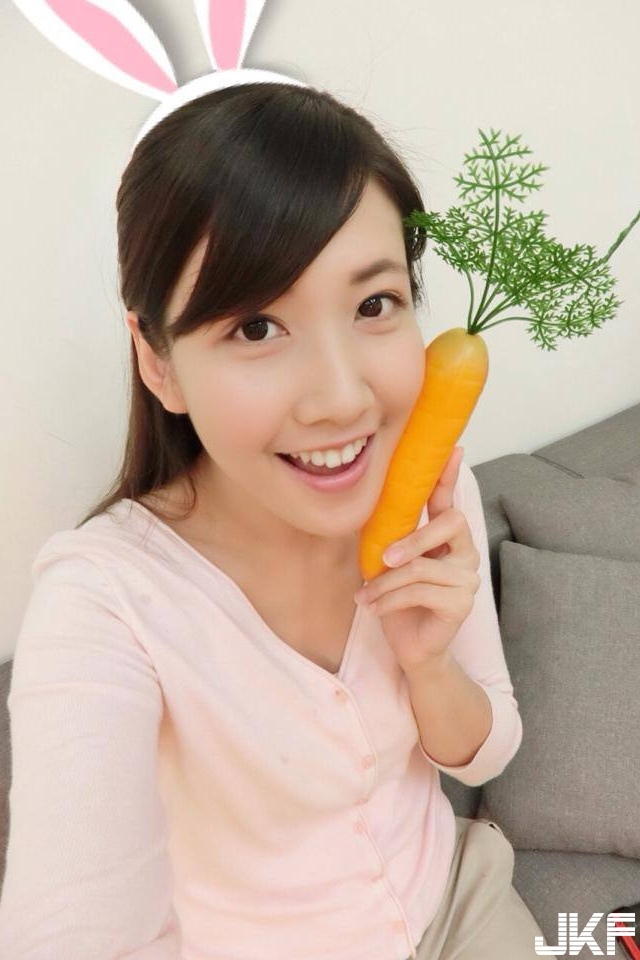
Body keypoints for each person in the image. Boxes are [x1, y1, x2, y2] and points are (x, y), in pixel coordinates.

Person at [0, 83, 548, 959]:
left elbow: (484, 755)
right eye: (256, 326)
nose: (342, 398)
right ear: (157, 361)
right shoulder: (103, 605)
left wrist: (428, 665)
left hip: (458, 903)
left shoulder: (437, 500)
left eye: (374, 304)